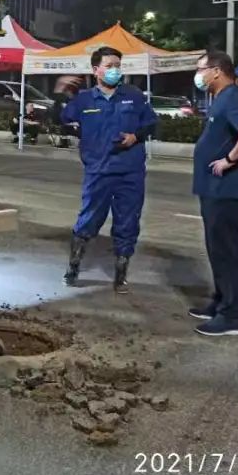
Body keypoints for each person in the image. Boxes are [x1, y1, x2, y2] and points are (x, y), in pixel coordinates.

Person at [57, 46, 158, 292]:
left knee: (128, 222)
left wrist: (135, 136)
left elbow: (152, 123)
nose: (115, 70)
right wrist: (60, 92)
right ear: (96, 70)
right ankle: (73, 267)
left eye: (118, 66)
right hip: (98, 171)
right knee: (88, 219)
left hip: (130, 172)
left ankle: (121, 274)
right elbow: (59, 119)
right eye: (109, 66)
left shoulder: (133, 95)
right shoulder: (84, 100)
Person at [190, 50, 238, 337]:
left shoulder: (233, 96)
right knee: (216, 250)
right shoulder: (221, 98)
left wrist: (230, 159)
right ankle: (220, 302)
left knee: (227, 253)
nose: (198, 75)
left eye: (201, 69)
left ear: (217, 71)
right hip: (214, 189)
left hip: (227, 190)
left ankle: (230, 316)